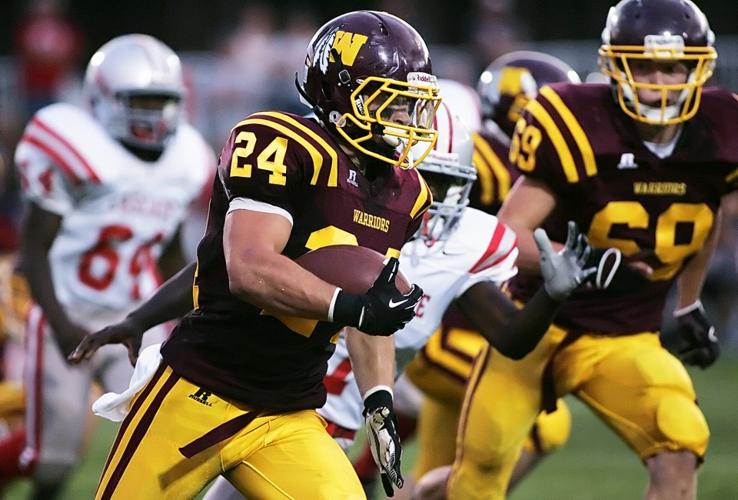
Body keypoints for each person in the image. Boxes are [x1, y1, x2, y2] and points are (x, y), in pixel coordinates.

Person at [69, 11, 442, 499]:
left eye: (411, 107)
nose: (404, 121)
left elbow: (372, 298)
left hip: (288, 412)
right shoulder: (279, 142)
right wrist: (350, 307)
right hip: (202, 390)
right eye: (389, 104)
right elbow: (246, 268)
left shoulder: (406, 192)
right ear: (339, 94)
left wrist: (378, 398)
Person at [429, 0, 729, 498]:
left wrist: (689, 300)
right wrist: (573, 264)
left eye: (672, 66)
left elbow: (706, 211)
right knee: (479, 474)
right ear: (615, 67)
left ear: (699, 67)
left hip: (626, 337)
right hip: (536, 324)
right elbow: (507, 234)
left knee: (681, 439)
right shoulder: (576, 123)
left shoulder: (720, 133)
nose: (660, 82)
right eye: (644, 65)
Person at [11, 34, 214, 498]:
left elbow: (169, 254)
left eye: (162, 103)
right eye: (139, 101)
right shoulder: (75, 146)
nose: (152, 114)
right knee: (52, 462)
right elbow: (34, 249)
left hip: (135, 317)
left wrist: (193, 314)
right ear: (102, 99)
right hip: (67, 311)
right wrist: (61, 326)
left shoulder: (187, 159)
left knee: (157, 436)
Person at [389, 56, 581, 497]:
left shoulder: (485, 199)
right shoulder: (488, 158)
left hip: (452, 322)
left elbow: (510, 332)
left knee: (433, 465)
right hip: (441, 336)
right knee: (545, 424)